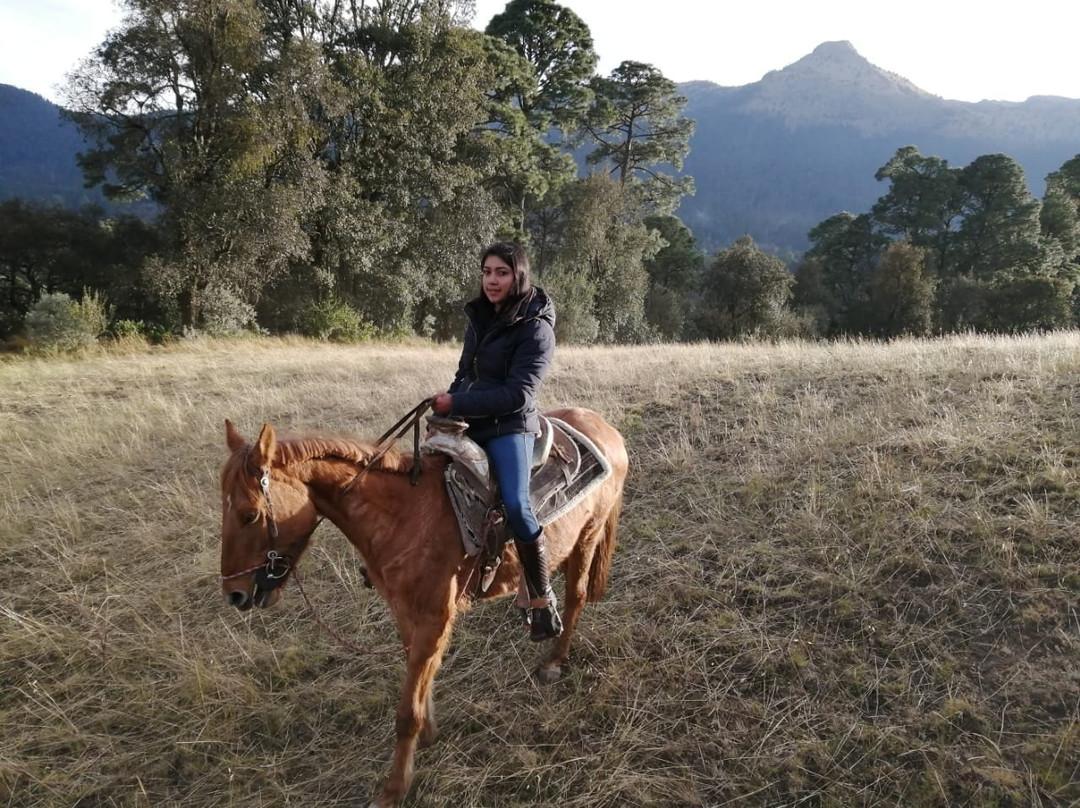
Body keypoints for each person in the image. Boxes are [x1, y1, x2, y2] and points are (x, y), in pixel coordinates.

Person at [431, 242, 562, 641]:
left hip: (509, 426)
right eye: (487, 271)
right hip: (469, 418)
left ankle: (542, 598)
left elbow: (519, 394)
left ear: (518, 275)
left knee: (518, 504)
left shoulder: (537, 328)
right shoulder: (480, 316)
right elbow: (463, 370)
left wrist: (457, 401)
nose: (492, 280)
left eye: (501, 273)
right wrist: (449, 406)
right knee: (421, 472)